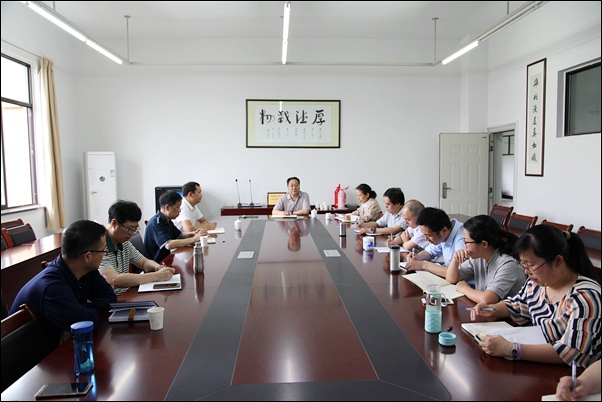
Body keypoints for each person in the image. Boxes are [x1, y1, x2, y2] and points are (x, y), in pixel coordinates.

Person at [471, 224, 601, 368]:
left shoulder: (585, 297)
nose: (526, 272)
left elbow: (572, 352)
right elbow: (517, 305)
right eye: (523, 265)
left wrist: (511, 349)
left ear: (558, 261)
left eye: (531, 265)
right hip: (543, 365)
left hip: (577, 374)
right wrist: (491, 308)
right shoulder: (537, 284)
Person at [9, 220, 117, 347]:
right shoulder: (53, 287)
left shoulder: (85, 270)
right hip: (32, 355)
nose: (104, 255)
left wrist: (81, 314)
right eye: (103, 251)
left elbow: (109, 296)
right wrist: (80, 316)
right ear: (87, 257)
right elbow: (86, 320)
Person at [99, 200, 176, 296]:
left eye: (135, 229)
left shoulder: (124, 243)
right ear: (114, 223)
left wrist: (157, 267)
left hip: (126, 295)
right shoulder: (99, 245)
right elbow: (113, 280)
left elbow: (144, 262)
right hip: (110, 301)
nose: (132, 233)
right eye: (130, 229)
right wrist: (156, 276)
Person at [445, 215, 526, 304]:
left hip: (505, 311)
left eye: (466, 242)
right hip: (485, 309)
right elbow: (451, 279)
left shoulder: (507, 263)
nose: (464, 246)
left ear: (484, 244)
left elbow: (488, 299)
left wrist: (465, 289)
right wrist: (455, 259)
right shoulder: (478, 257)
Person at [144, 190, 205, 262]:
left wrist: (195, 233)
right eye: (178, 207)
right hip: (156, 263)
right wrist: (193, 239)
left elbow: (180, 235)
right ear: (167, 207)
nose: (179, 211)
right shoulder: (157, 222)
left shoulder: (167, 220)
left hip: (165, 259)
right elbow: (168, 244)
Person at [406, 207, 465, 277]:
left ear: (444, 230)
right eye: (424, 235)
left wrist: (423, 265)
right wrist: (418, 257)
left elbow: (458, 273)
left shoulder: (463, 240)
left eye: (429, 235)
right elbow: (429, 252)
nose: (426, 239)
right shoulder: (444, 232)